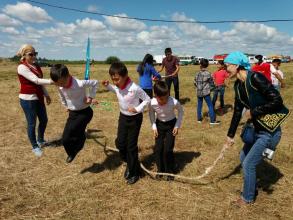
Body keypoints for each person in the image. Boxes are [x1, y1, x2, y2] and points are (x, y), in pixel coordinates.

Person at [224, 51, 289, 205]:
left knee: (248, 164)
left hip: (269, 131)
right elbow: (238, 111)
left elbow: (277, 100)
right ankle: (251, 188)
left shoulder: (255, 78)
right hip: (255, 129)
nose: (225, 69)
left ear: (237, 65)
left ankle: (247, 198)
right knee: (243, 158)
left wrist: (254, 112)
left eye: (227, 65)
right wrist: (230, 135)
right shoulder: (238, 86)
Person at [102, 62, 150, 184]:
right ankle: (129, 161)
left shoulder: (135, 88)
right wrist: (108, 86)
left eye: (117, 79)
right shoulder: (118, 86)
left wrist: (137, 109)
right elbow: (117, 90)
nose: (115, 82)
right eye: (113, 79)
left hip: (135, 119)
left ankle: (134, 172)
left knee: (131, 147)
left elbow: (147, 99)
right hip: (123, 117)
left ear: (125, 75)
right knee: (120, 143)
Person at [50, 64, 98, 163]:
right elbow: (62, 96)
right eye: (59, 84)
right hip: (73, 113)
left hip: (85, 113)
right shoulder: (60, 86)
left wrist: (90, 97)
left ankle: (80, 142)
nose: (61, 86)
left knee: (74, 130)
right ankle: (72, 153)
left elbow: (95, 83)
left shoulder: (79, 83)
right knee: (65, 139)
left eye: (62, 83)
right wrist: (65, 105)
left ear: (68, 76)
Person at [17, 44, 53, 157]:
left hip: (38, 97)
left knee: (44, 120)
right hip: (28, 100)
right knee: (32, 123)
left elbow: (40, 82)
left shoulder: (36, 66)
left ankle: (40, 140)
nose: (34, 56)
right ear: (24, 55)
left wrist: (46, 95)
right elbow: (36, 80)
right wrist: (53, 81)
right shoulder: (22, 67)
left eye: (35, 53)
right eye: (31, 54)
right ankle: (35, 146)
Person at [149, 81, 184, 180]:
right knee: (158, 149)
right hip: (159, 125)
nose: (165, 101)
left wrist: (177, 126)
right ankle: (160, 170)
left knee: (168, 149)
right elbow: (151, 113)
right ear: (156, 96)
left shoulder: (173, 101)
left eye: (167, 97)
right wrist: (154, 127)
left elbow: (181, 111)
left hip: (171, 125)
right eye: (162, 99)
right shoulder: (152, 102)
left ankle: (169, 171)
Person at [194, 59, 220, 125]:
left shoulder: (197, 73)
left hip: (199, 92)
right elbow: (212, 83)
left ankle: (199, 119)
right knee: (210, 106)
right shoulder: (209, 74)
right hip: (206, 93)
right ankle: (212, 121)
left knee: (199, 105)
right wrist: (211, 89)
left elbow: (194, 82)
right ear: (207, 65)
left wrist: (198, 87)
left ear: (200, 65)